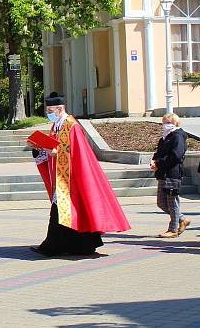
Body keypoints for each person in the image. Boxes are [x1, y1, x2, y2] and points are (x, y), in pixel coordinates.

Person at [28, 93, 131, 256]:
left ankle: (52, 247)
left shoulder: (72, 126)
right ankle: (81, 245)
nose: (48, 113)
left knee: (61, 211)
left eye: (50, 110)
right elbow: (53, 148)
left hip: (73, 177)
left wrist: (56, 152)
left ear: (60, 109)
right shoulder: (56, 126)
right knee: (67, 212)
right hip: (61, 177)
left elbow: (78, 152)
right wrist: (40, 150)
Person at [150, 113, 189, 238]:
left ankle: (173, 229)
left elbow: (176, 155)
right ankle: (182, 219)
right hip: (163, 173)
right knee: (161, 203)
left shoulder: (178, 136)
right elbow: (159, 152)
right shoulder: (165, 137)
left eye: (168, 122)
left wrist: (159, 163)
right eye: (164, 122)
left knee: (172, 203)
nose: (166, 125)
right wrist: (154, 161)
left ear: (175, 123)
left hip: (172, 173)